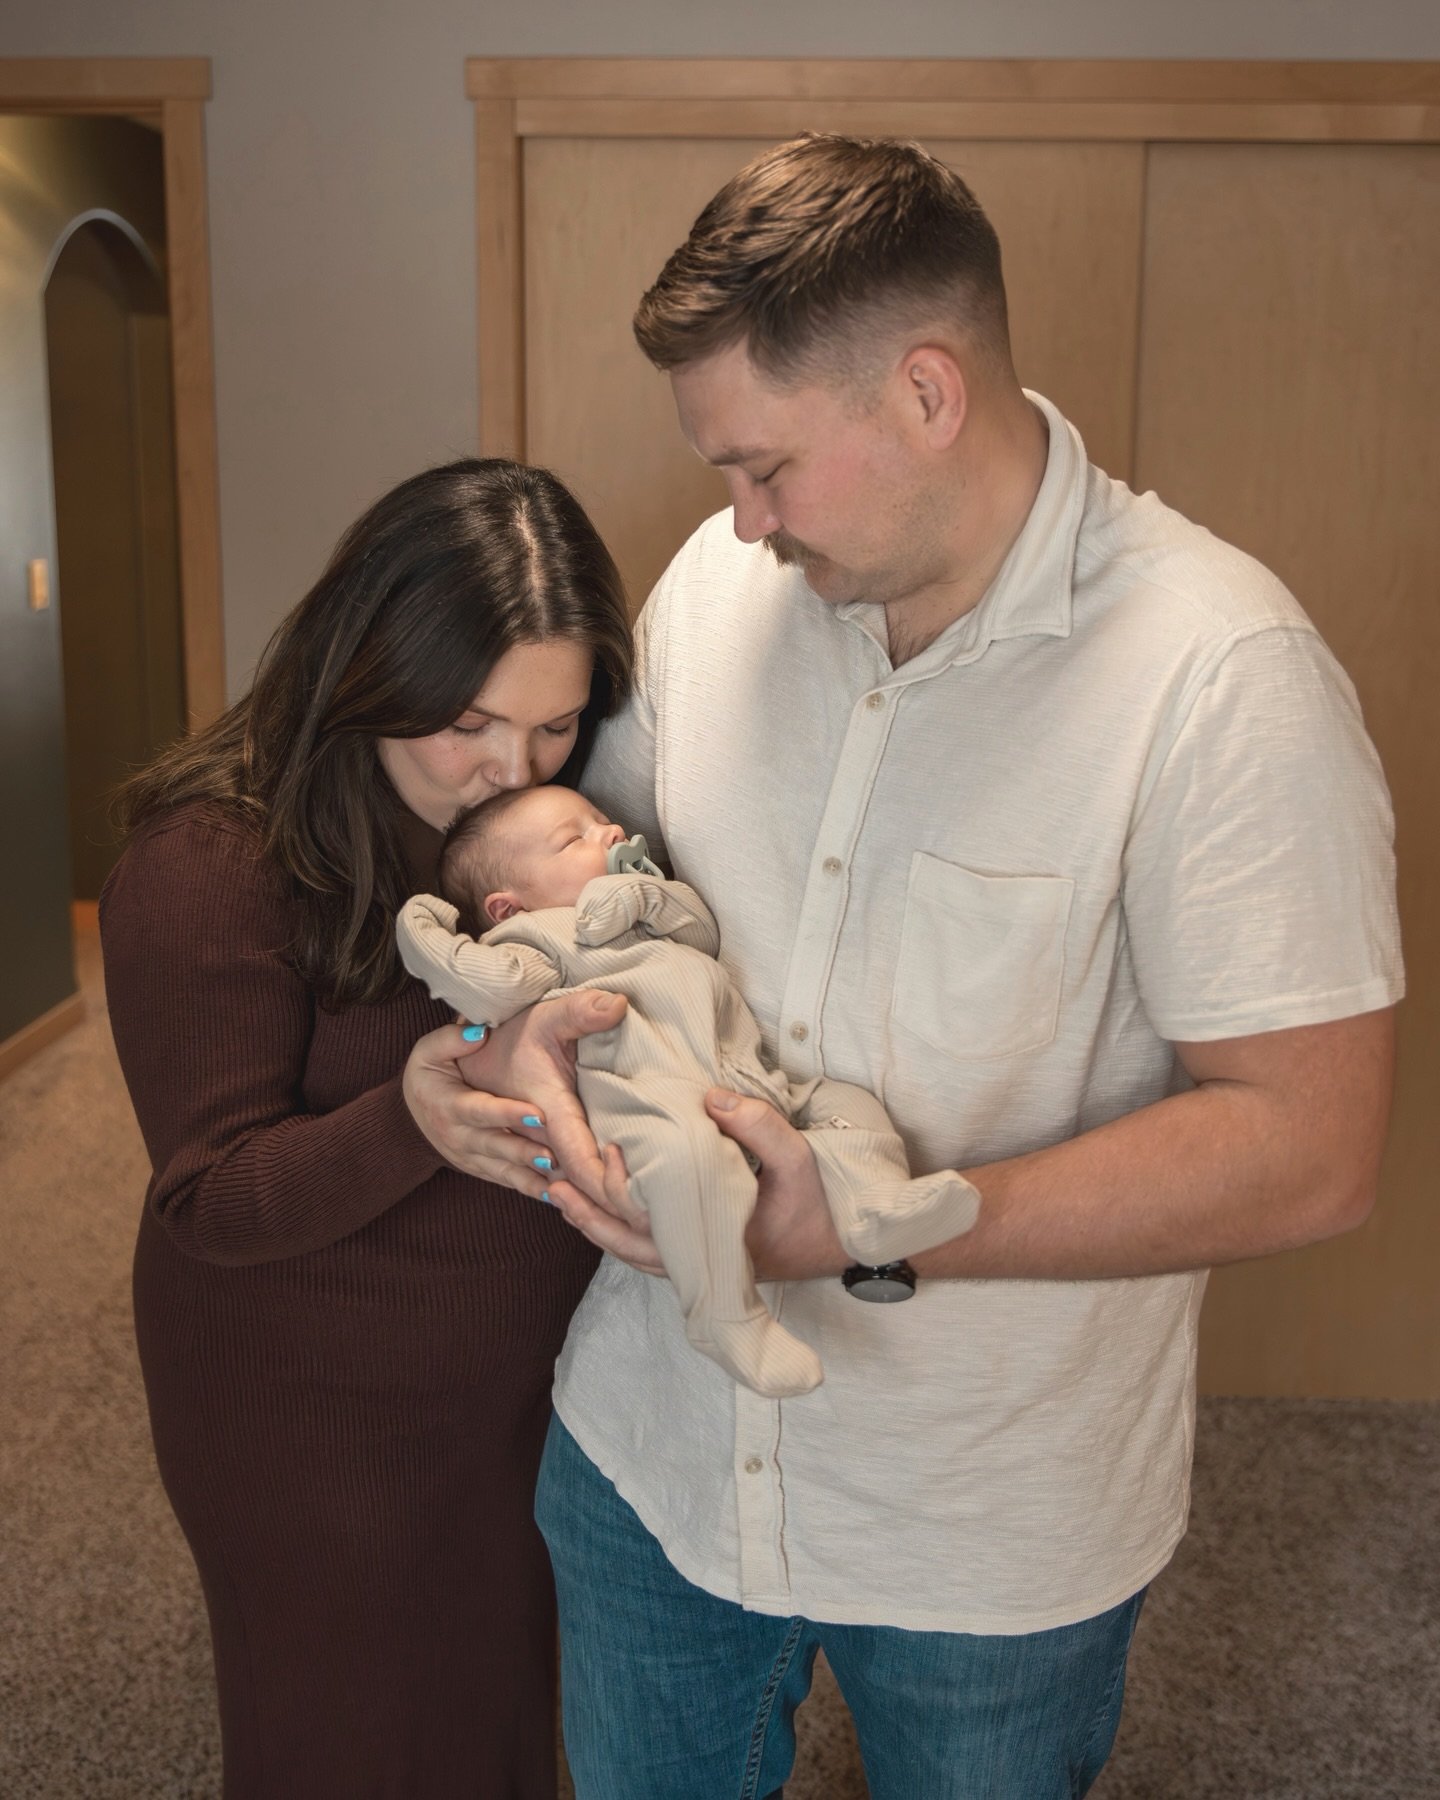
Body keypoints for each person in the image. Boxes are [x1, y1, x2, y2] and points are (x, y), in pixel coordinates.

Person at [464, 135, 1404, 1798]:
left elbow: (1310, 1144)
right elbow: (581, 889)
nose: (736, 524)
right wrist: (518, 1037)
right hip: (651, 1464)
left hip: (990, 1531)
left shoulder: (1224, 679)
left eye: (765, 467)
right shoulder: (711, 591)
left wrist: (887, 1229)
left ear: (927, 394)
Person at [99, 459, 637, 1800]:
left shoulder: (543, 834)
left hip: (514, 1400)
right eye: (465, 721)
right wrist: (409, 1112)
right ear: (370, 665)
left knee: (507, 1725)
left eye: (554, 730)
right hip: (313, 1422)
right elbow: (211, 1197)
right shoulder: (208, 865)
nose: (505, 773)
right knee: (351, 1744)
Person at [395, 783, 979, 1397]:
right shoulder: (541, 940)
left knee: (848, 1106)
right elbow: (484, 987)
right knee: (694, 1164)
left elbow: (701, 932)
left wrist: (640, 894)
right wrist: (424, 927)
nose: (611, 834)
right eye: (575, 839)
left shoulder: (652, 914)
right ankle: (723, 1316)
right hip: (649, 1101)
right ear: (509, 909)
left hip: (754, 1080)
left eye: (603, 822)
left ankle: (874, 1207)